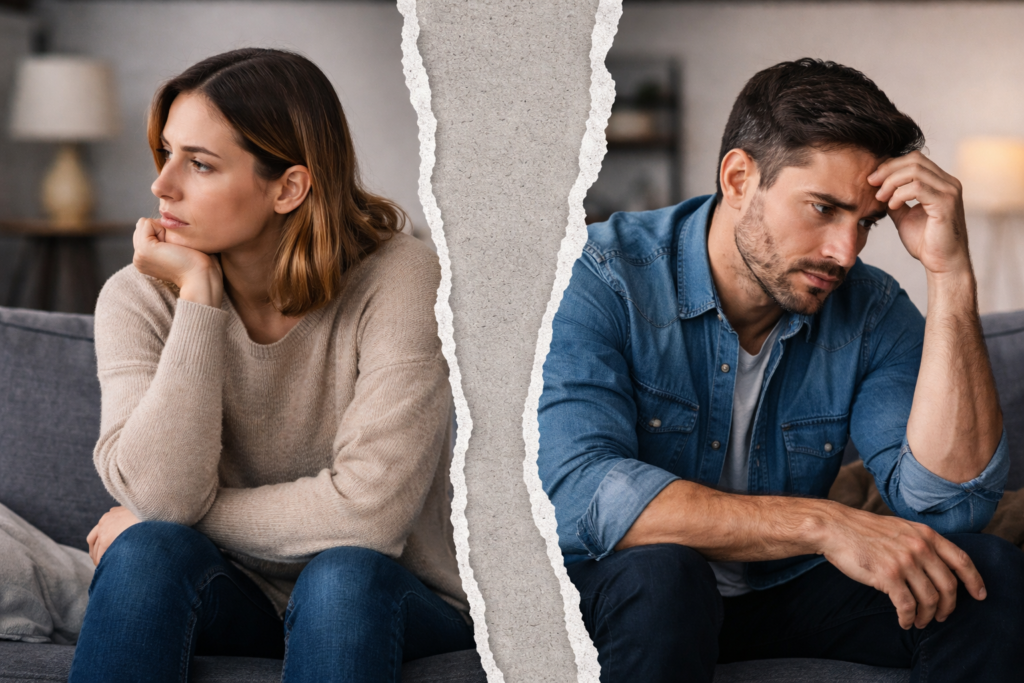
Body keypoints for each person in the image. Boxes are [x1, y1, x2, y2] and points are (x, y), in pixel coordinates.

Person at [538, 58, 1024, 682]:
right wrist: (822, 524)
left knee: (983, 573)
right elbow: (579, 491)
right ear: (740, 178)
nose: (844, 252)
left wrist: (950, 273)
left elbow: (947, 511)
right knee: (665, 572)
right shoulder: (599, 276)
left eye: (865, 223)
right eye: (823, 209)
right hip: (621, 589)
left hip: (782, 588)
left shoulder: (871, 310)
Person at [68, 48, 472, 683]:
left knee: (341, 576)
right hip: (236, 590)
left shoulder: (401, 277)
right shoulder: (139, 294)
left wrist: (179, 510)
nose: (162, 186)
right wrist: (200, 299)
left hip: (385, 593)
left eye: (199, 164)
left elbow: (368, 517)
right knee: (146, 551)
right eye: (166, 152)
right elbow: (162, 497)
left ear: (288, 187)